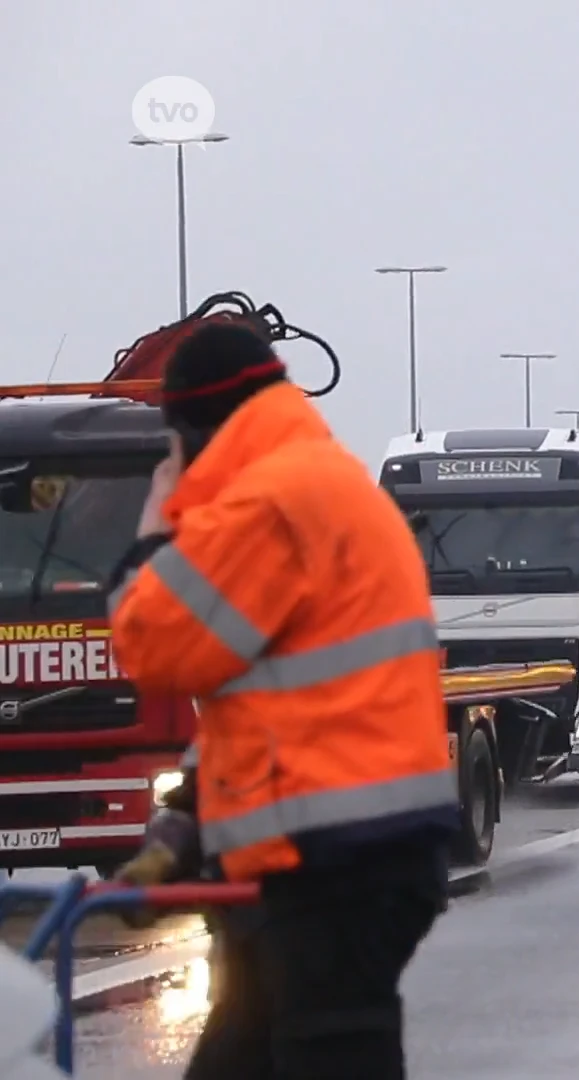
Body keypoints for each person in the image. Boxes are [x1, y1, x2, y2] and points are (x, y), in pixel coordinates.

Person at [106, 322, 454, 1080]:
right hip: (347, 855)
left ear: (195, 430)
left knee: (326, 1053)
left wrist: (155, 526)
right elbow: (264, 698)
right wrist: (189, 821)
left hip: (337, 865)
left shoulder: (272, 501)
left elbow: (154, 644)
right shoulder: (321, 479)